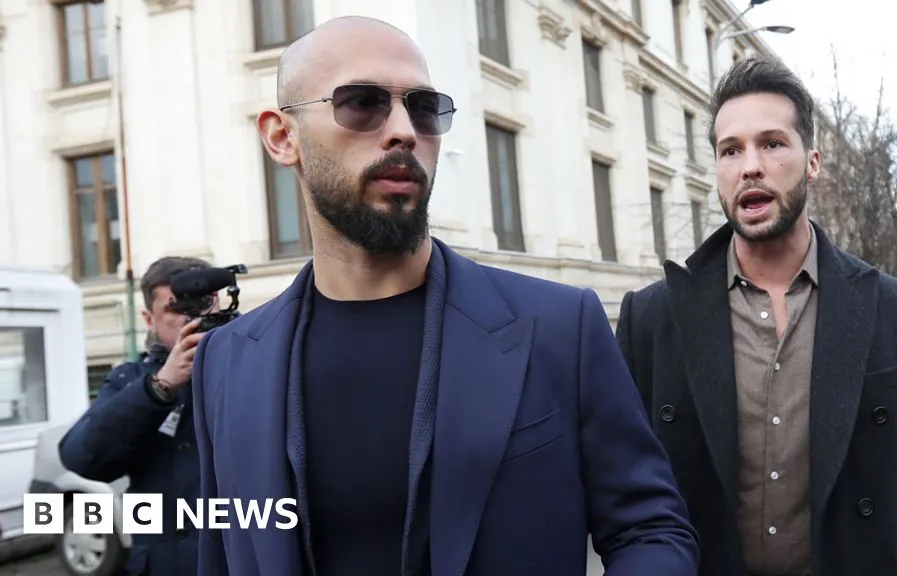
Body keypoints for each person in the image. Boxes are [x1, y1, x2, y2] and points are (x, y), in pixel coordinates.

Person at [190, 15, 699, 576]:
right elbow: (223, 553)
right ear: (282, 137)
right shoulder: (225, 361)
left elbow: (650, 530)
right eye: (362, 103)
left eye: (425, 108)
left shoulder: (560, 327)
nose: (404, 131)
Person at [615, 55, 897, 576]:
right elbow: (625, 494)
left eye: (772, 143)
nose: (750, 166)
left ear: (813, 163)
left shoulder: (892, 307)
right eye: (731, 150)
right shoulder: (652, 317)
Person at [59, 256, 218, 576]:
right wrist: (160, 387)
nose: (192, 316)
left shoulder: (256, 362)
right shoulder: (130, 379)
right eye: (176, 308)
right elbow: (82, 457)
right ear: (149, 319)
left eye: (202, 303)